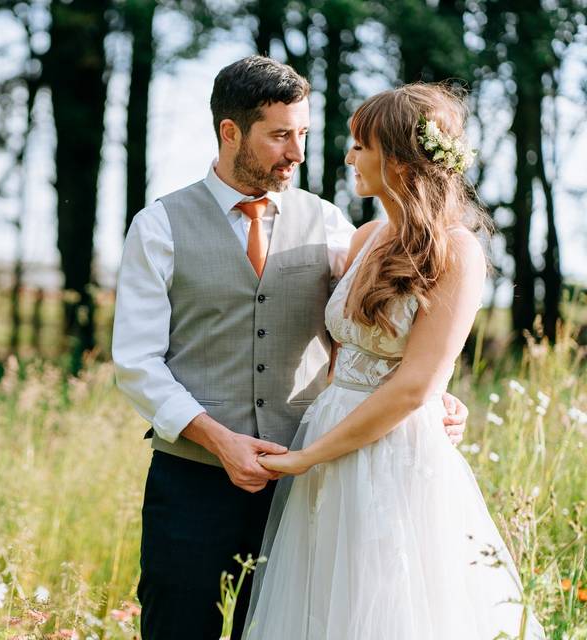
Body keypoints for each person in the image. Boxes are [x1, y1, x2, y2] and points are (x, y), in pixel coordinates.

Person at [111, 56, 468, 640]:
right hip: (192, 482)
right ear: (231, 132)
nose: (298, 152)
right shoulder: (159, 226)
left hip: (309, 483)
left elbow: (375, 334)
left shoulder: (333, 226)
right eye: (280, 135)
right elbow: (136, 363)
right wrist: (219, 440)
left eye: (301, 133)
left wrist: (436, 399)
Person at [243, 83, 545, 639]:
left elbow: (412, 387)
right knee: (322, 604)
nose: (348, 156)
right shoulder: (364, 239)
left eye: (362, 145)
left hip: (393, 453)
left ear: (402, 160)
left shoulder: (459, 252)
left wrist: (303, 458)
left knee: (387, 604)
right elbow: (343, 355)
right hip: (331, 435)